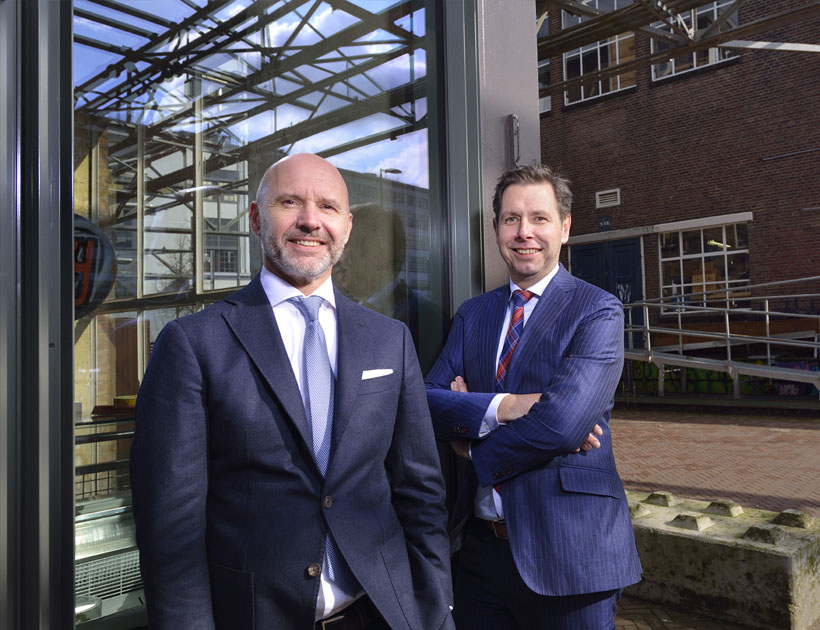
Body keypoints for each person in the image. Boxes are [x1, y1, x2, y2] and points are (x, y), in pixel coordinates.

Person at [131, 153, 455, 630]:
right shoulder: (194, 344)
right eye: (289, 202)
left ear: (346, 228)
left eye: (328, 207)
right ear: (256, 218)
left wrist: (435, 612)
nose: (310, 220)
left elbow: (420, 493)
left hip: (383, 615)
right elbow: (170, 533)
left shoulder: (390, 339)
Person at [425, 164, 642, 629]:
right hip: (480, 555)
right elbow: (425, 402)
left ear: (565, 227)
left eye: (539, 218)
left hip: (572, 554)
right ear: (496, 229)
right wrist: (507, 406)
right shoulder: (472, 314)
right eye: (511, 219)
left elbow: (562, 425)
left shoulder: (597, 310)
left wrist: (471, 446)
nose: (524, 232)